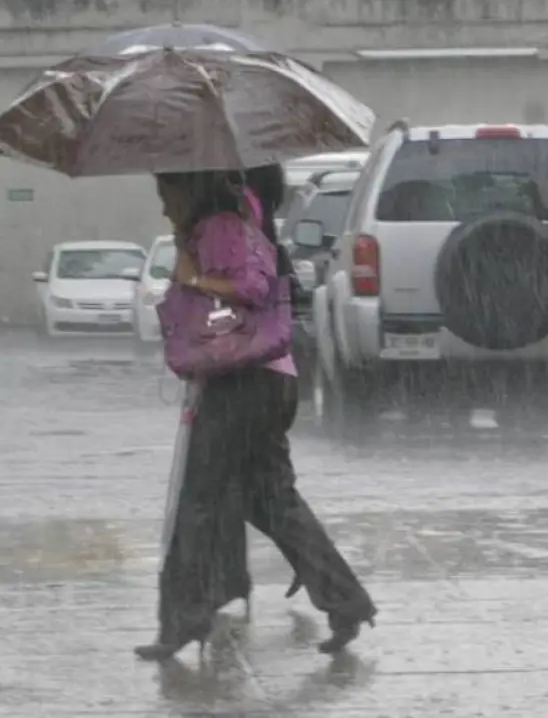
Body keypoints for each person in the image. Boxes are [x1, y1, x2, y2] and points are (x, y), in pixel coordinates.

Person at [137, 170, 376, 661]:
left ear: (190, 188)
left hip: (243, 382)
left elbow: (250, 287)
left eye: (166, 194)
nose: (163, 207)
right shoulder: (229, 221)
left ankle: (184, 619)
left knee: (199, 501)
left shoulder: (222, 224)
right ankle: (345, 601)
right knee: (270, 500)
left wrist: (192, 277)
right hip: (266, 380)